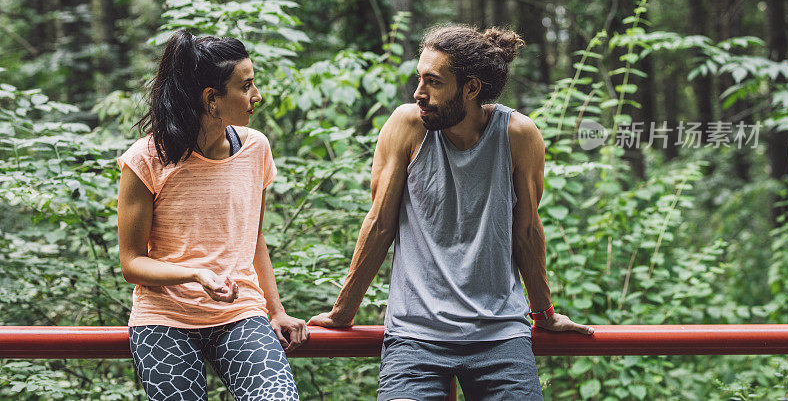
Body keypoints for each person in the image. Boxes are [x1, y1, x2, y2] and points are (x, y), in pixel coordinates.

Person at [309, 25, 594, 400]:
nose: (419, 93)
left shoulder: (518, 134)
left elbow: (526, 232)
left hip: (499, 336)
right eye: (419, 79)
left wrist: (545, 313)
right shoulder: (407, 126)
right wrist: (342, 312)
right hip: (415, 337)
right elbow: (379, 224)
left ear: (471, 88)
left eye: (433, 82)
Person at [117, 30, 308, 401]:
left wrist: (277, 310)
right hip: (164, 317)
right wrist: (196, 273)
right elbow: (131, 263)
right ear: (212, 99)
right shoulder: (145, 160)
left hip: (240, 315)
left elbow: (254, 238)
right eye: (246, 86)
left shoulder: (256, 148)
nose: (257, 96)